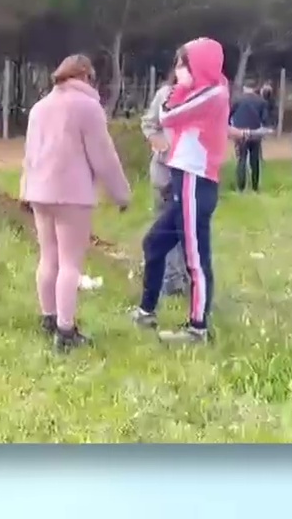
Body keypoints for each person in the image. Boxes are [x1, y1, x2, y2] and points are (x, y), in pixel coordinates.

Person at [20, 55, 131, 351]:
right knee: (70, 264)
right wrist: (121, 193)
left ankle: (48, 317)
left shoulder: (40, 107)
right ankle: (66, 332)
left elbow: (29, 155)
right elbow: (103, 156)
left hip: (39, 192)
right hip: (72, 193)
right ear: (85, 76)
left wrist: (25, 191)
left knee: (48, 258)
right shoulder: (88, 107)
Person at [130, 37, 230, 344]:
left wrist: (180, 88)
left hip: (195, 180)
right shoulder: (202, 91)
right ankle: (147, 310)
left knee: (196, 258)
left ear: (198, 66)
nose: (177, 71)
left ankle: (197, 328)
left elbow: (168, 115)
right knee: (154, 244)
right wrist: (182, 85)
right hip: (182, 178)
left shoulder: (213, 93)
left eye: (182, 64)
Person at [139, 75, 190, 296]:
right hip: (165, 173)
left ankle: (184, 277)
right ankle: (171, 281)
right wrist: (160, 144)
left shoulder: (205, 97)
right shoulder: (165, 94)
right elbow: (149, 123)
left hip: (191, 173)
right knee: (165, 227)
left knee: (187, 228)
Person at [229, 79, 270, 192]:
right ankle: (255, 187)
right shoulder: (261, 102)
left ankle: (241, 187)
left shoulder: (237, 100)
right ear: (255, 88)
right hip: (255, 133)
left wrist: (230, 127)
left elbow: (229, 114)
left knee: (241, 159)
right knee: (254, 159)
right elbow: (265, 119)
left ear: (244, 88)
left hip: (240, 132)